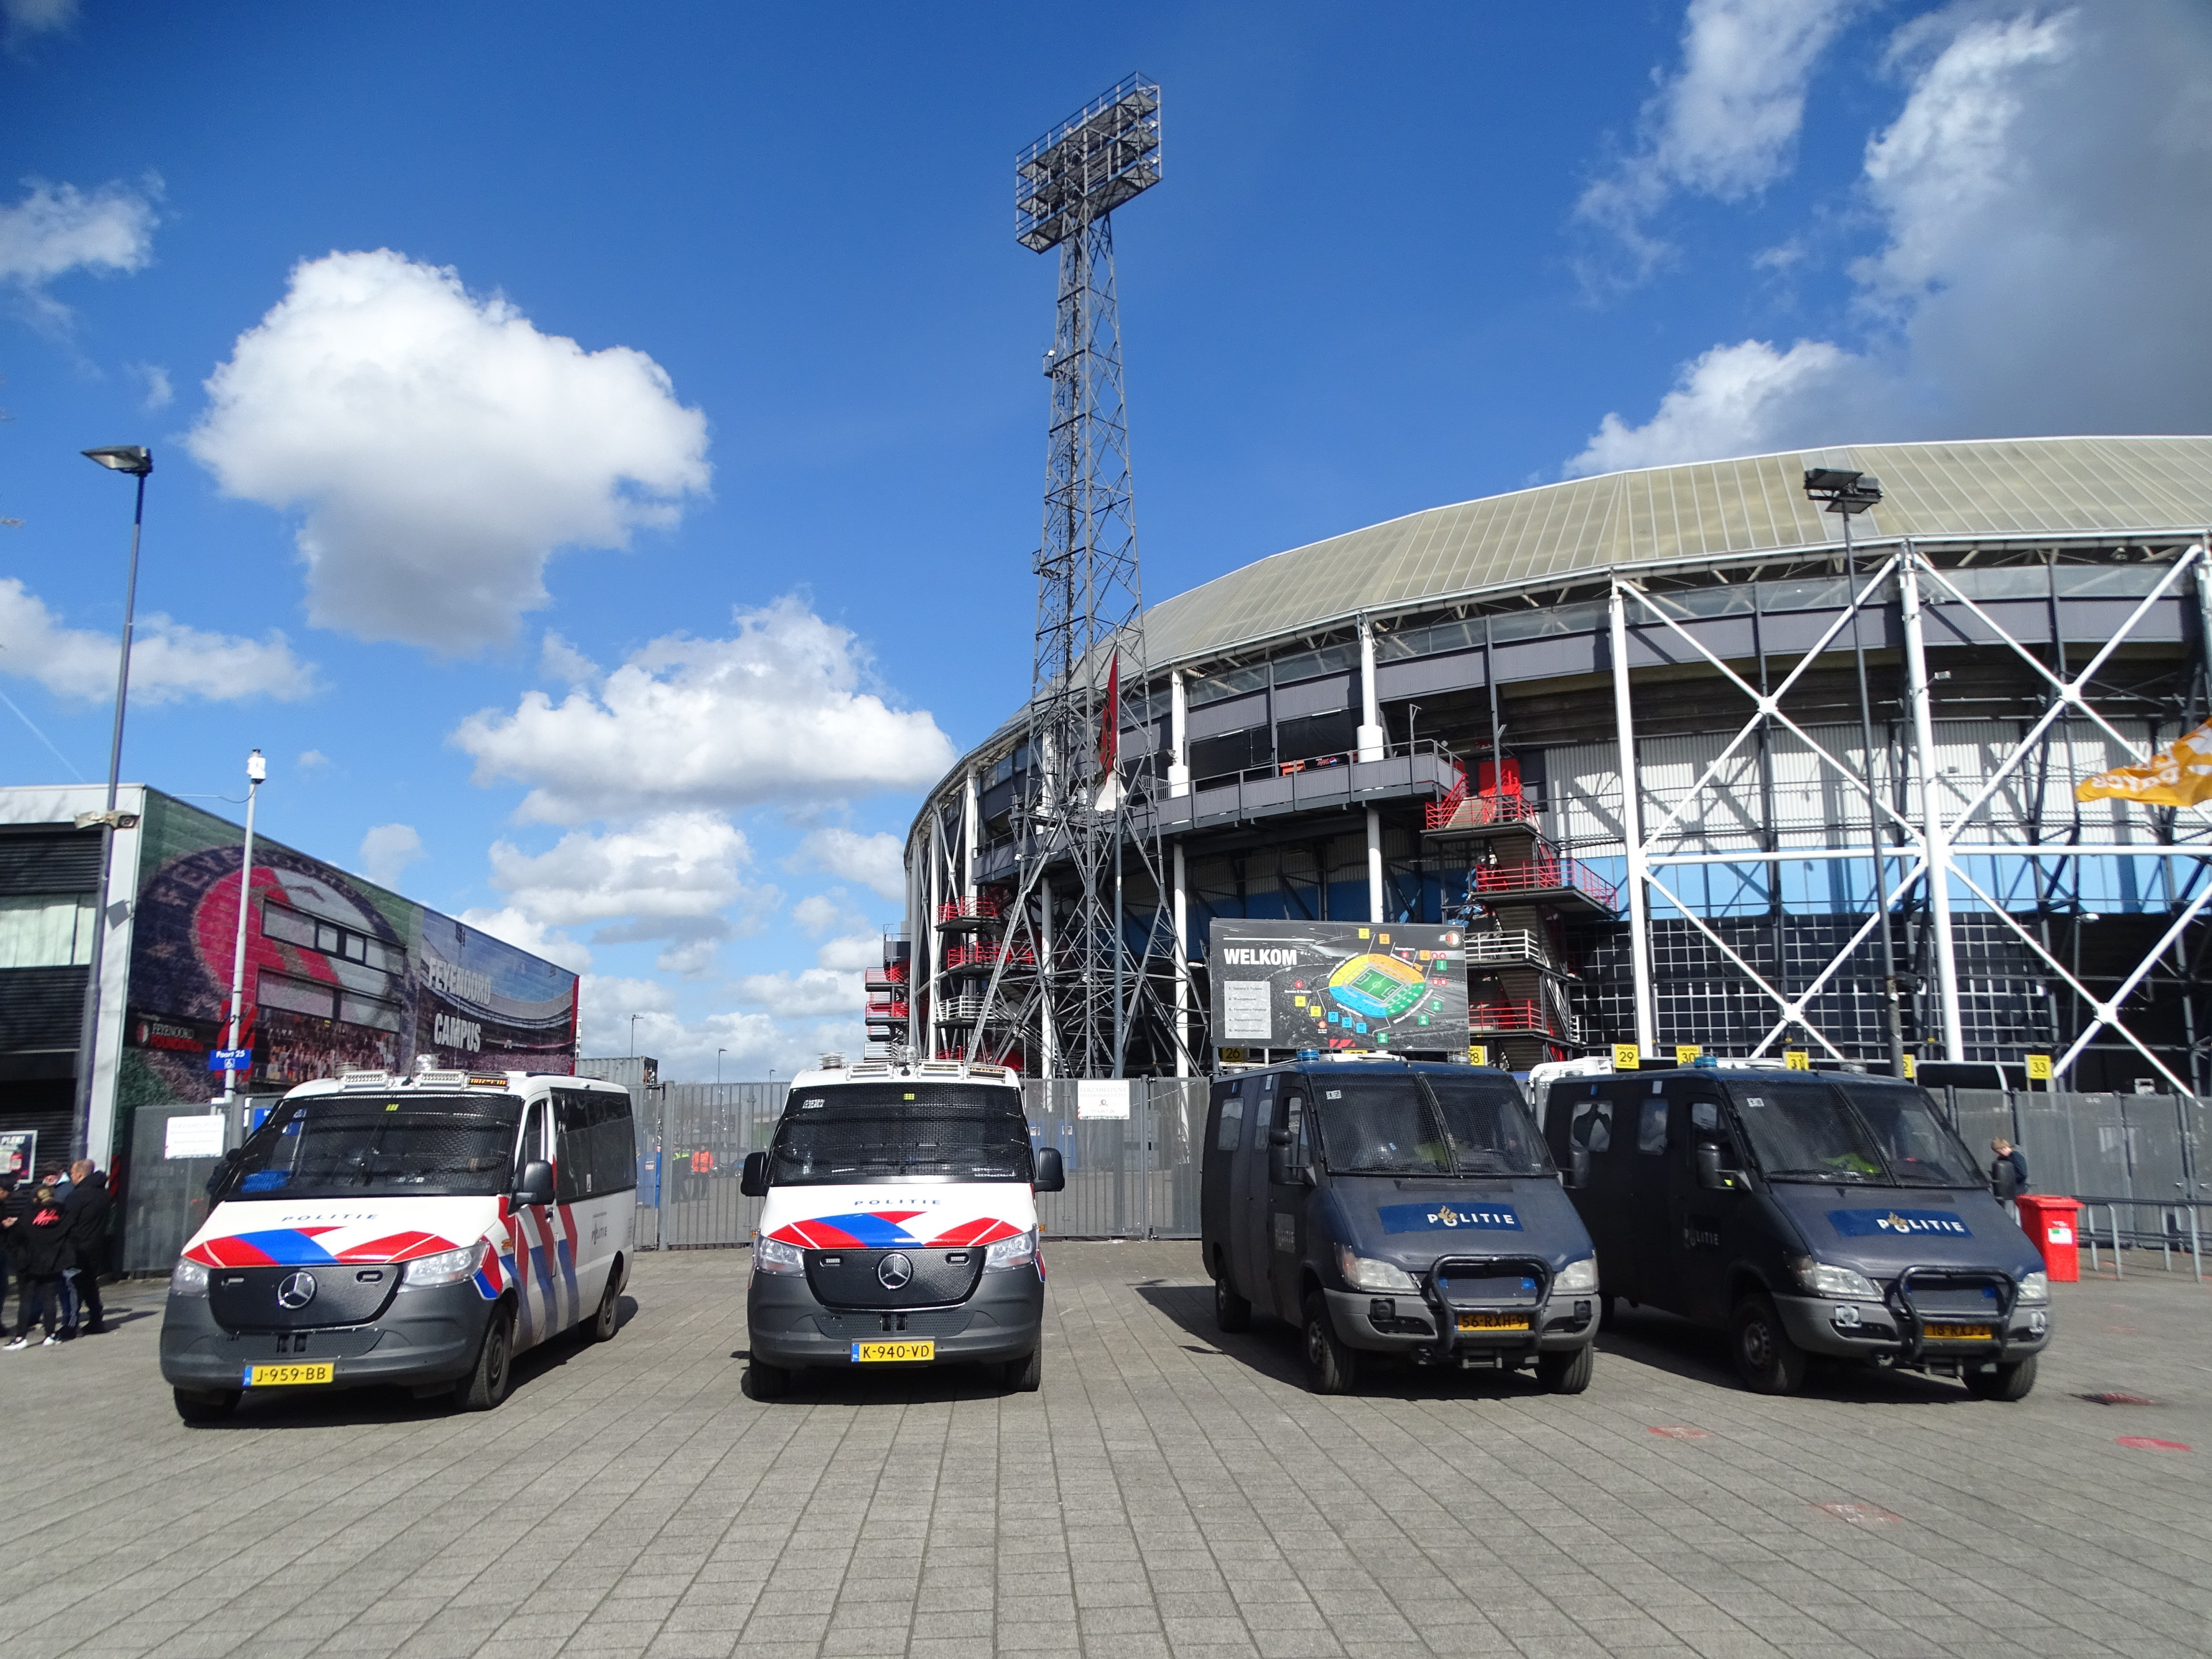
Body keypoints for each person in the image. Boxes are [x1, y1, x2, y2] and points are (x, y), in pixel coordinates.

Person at [2, 1184, 75, 1349]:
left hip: (30, 1262)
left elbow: (16, 1238)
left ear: (35, 1198)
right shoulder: (63, 1213)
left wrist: (11, 1227)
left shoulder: (28, 1215)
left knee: (26, 1299)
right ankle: (50, 1335)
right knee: (49, 1298)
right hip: (53, 1261)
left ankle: (21, 1337)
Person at [59, 1160, 110, 1338]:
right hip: (96, 1246)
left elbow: (67, 1221)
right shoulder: (103, 1194)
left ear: (80, 1175)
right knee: (89, 1285)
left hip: (77, 1247)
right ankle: (96, 1320)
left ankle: (71, 1325)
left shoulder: (78, 1196)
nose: (71, 1177)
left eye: (72, 1174)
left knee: (74, 1287)